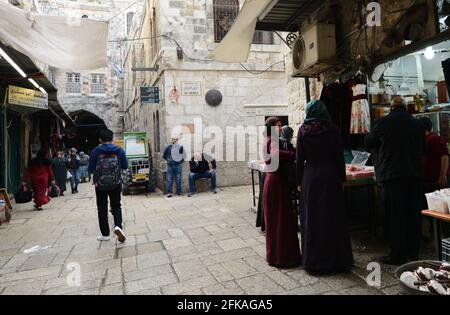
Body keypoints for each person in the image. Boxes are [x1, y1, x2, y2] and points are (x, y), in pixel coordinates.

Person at [366, 96, 426, 265]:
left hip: (392, 176)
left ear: (391, 107)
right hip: (414, 175)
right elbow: (423, 150)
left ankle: (397, 254)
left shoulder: (383, 123)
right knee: (412, 214)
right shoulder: (417, 124)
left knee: (395, 216)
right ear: (405, 107)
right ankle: (413, 251)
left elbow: (368, 142)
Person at [297, 100, 353, 273]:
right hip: (331, 176)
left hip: (311, 176)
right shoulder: (333, 130)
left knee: (313, 218)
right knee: (333, 216)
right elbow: (339, 157)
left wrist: (299, 181)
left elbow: (299, 158)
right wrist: (342, 180)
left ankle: (314, 262)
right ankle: (337, 260)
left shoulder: (302, 131)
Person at [263, 117, 302, 268]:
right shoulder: (272, 139)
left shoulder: (268, 138)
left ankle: (275, 256)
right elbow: (275, 153)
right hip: (276, 182)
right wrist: (293, 154)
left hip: (272, 180)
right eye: (278, 126)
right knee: (282, 220)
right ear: (272, 127)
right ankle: (284, 257)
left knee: (276, 220)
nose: (280, 128)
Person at [88, 129, 128, 243]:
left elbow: (90, 169)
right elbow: (125, 166)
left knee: (102, 208)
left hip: (100, 185)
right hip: (116, 183)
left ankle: (105, 234)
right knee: (116, 205)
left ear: (100, 140)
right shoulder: (119, 150)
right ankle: (118, 227)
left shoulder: (96, 151)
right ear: (112, 139)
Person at [419, 117, 449, 191]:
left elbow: (444, 156)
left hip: (437, 180)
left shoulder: (434, 138)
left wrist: (442, 175)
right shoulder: (425, 139)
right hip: (429, 180)